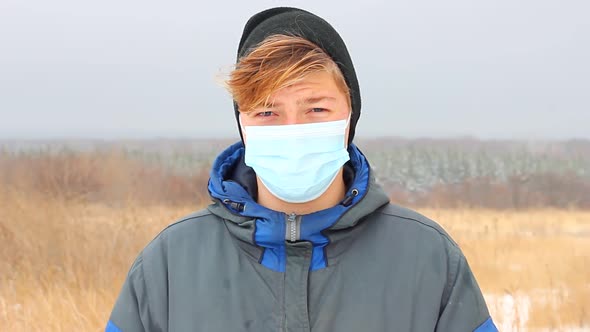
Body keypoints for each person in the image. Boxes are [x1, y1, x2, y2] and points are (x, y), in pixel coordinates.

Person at [106, 7, 498, 332]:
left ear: (349, 117)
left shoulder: (425, 258)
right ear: (242, 123)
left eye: (316, 109)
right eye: (267, 111)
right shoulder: (170, 265)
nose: (293, 130)